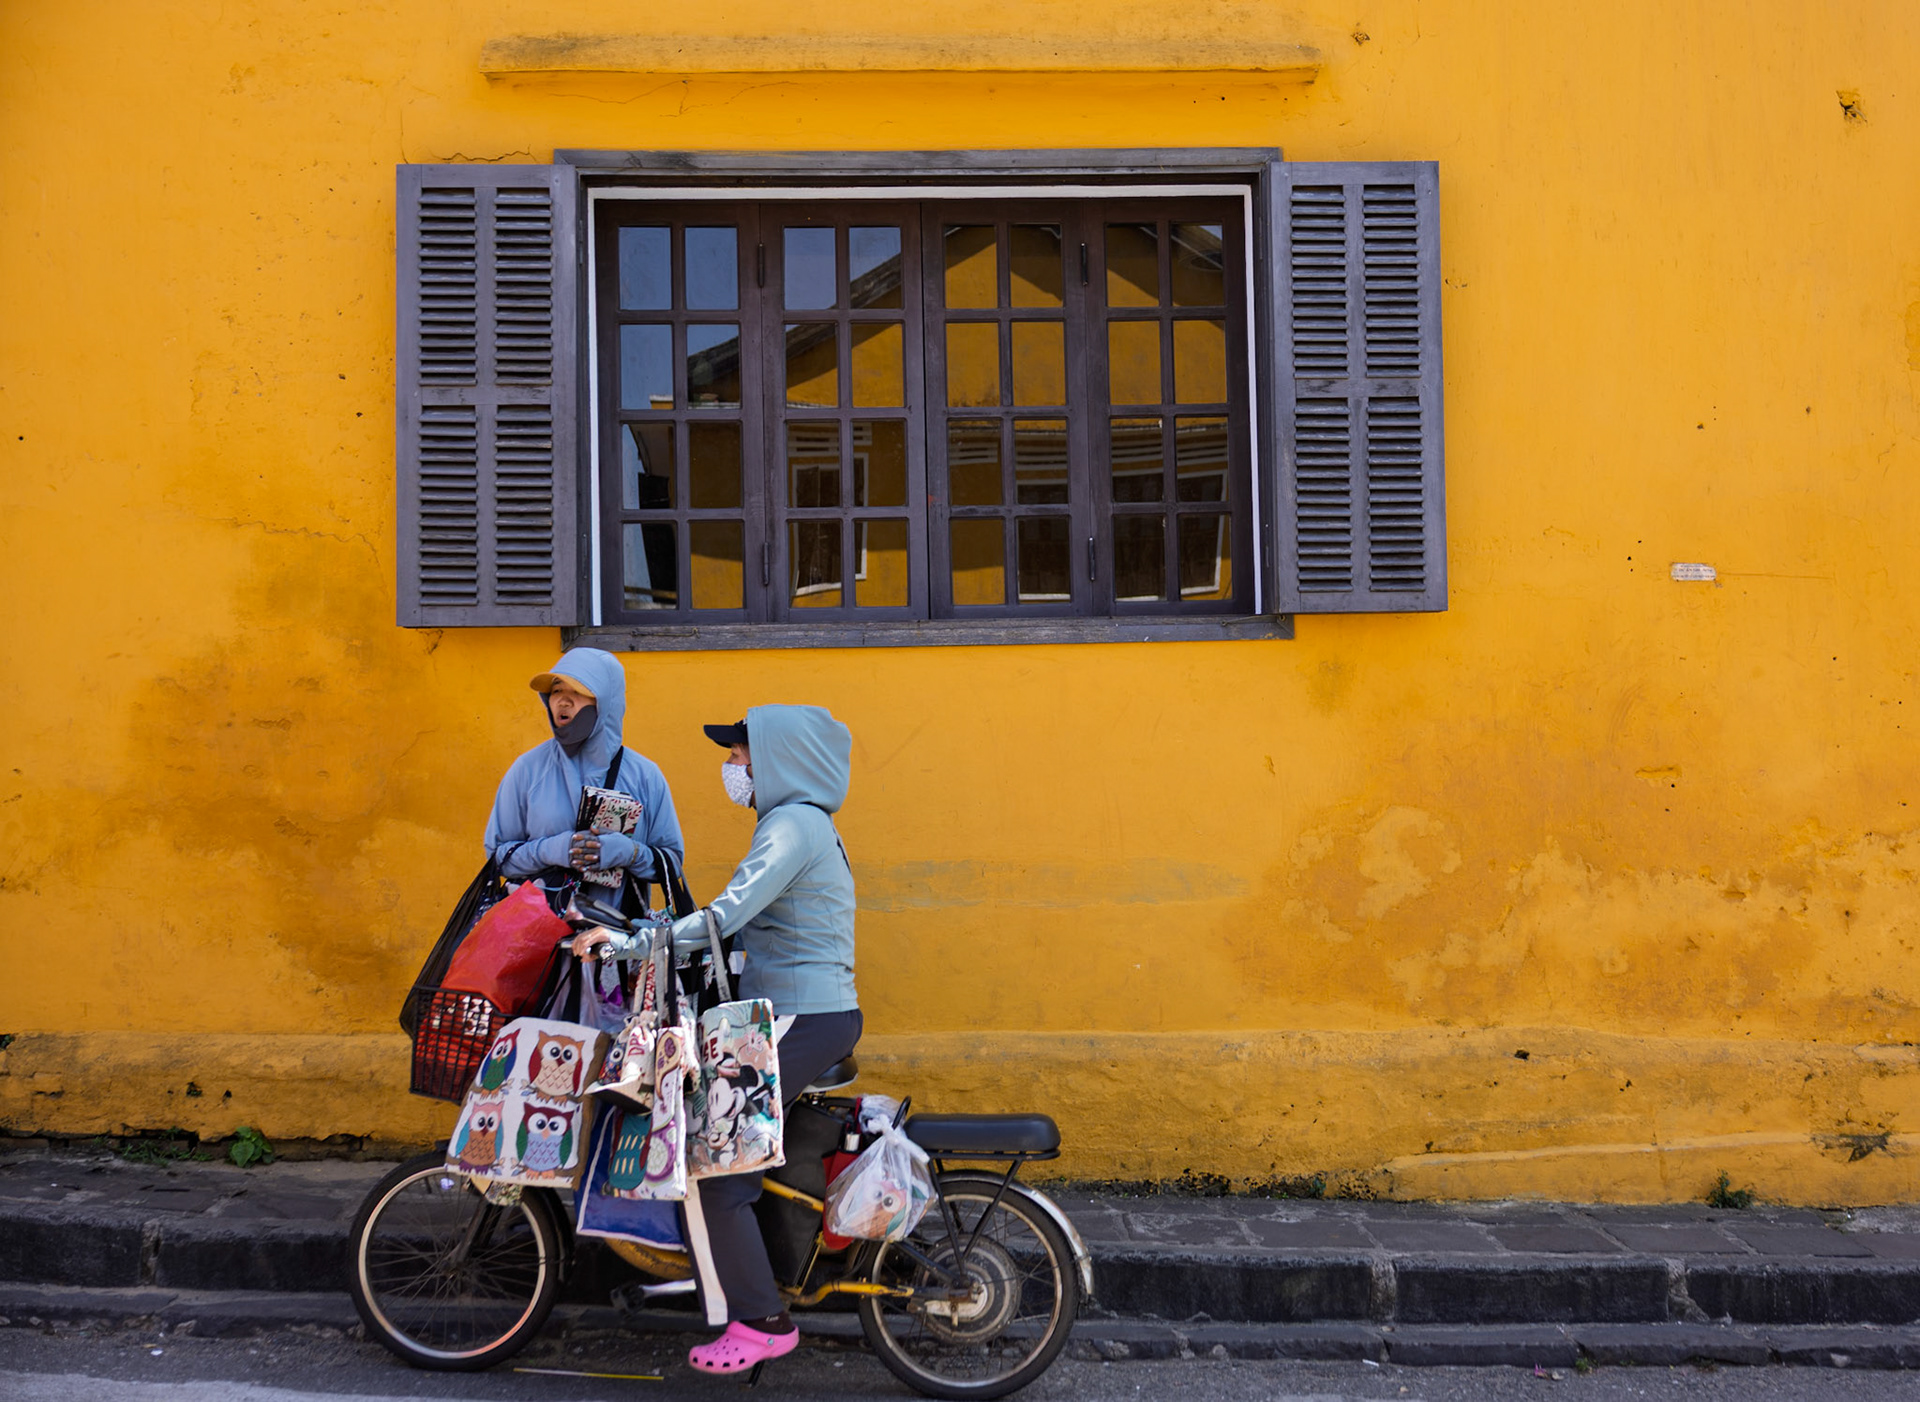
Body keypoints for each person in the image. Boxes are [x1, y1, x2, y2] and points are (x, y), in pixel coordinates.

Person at [668, 704, 860, 1376]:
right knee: (729, 1159)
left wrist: (636, 943)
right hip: (802, 1010)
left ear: (777, 759)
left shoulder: (791, 826)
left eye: (739, 753)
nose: (732, 766)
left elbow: (726, 915)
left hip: (803, 1014)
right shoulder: (799, 823)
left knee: (717, 1170)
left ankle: (761, 1322)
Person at [483, 647, 683, 914]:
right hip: (539, 933)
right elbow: (497, 857)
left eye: (577, 691)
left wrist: (630, 853)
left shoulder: (645, 775)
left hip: (618, 935)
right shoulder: (528, 769)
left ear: (605, 701)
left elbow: (672, 862)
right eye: (556, 691)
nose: (563, 701)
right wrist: (552, 850)